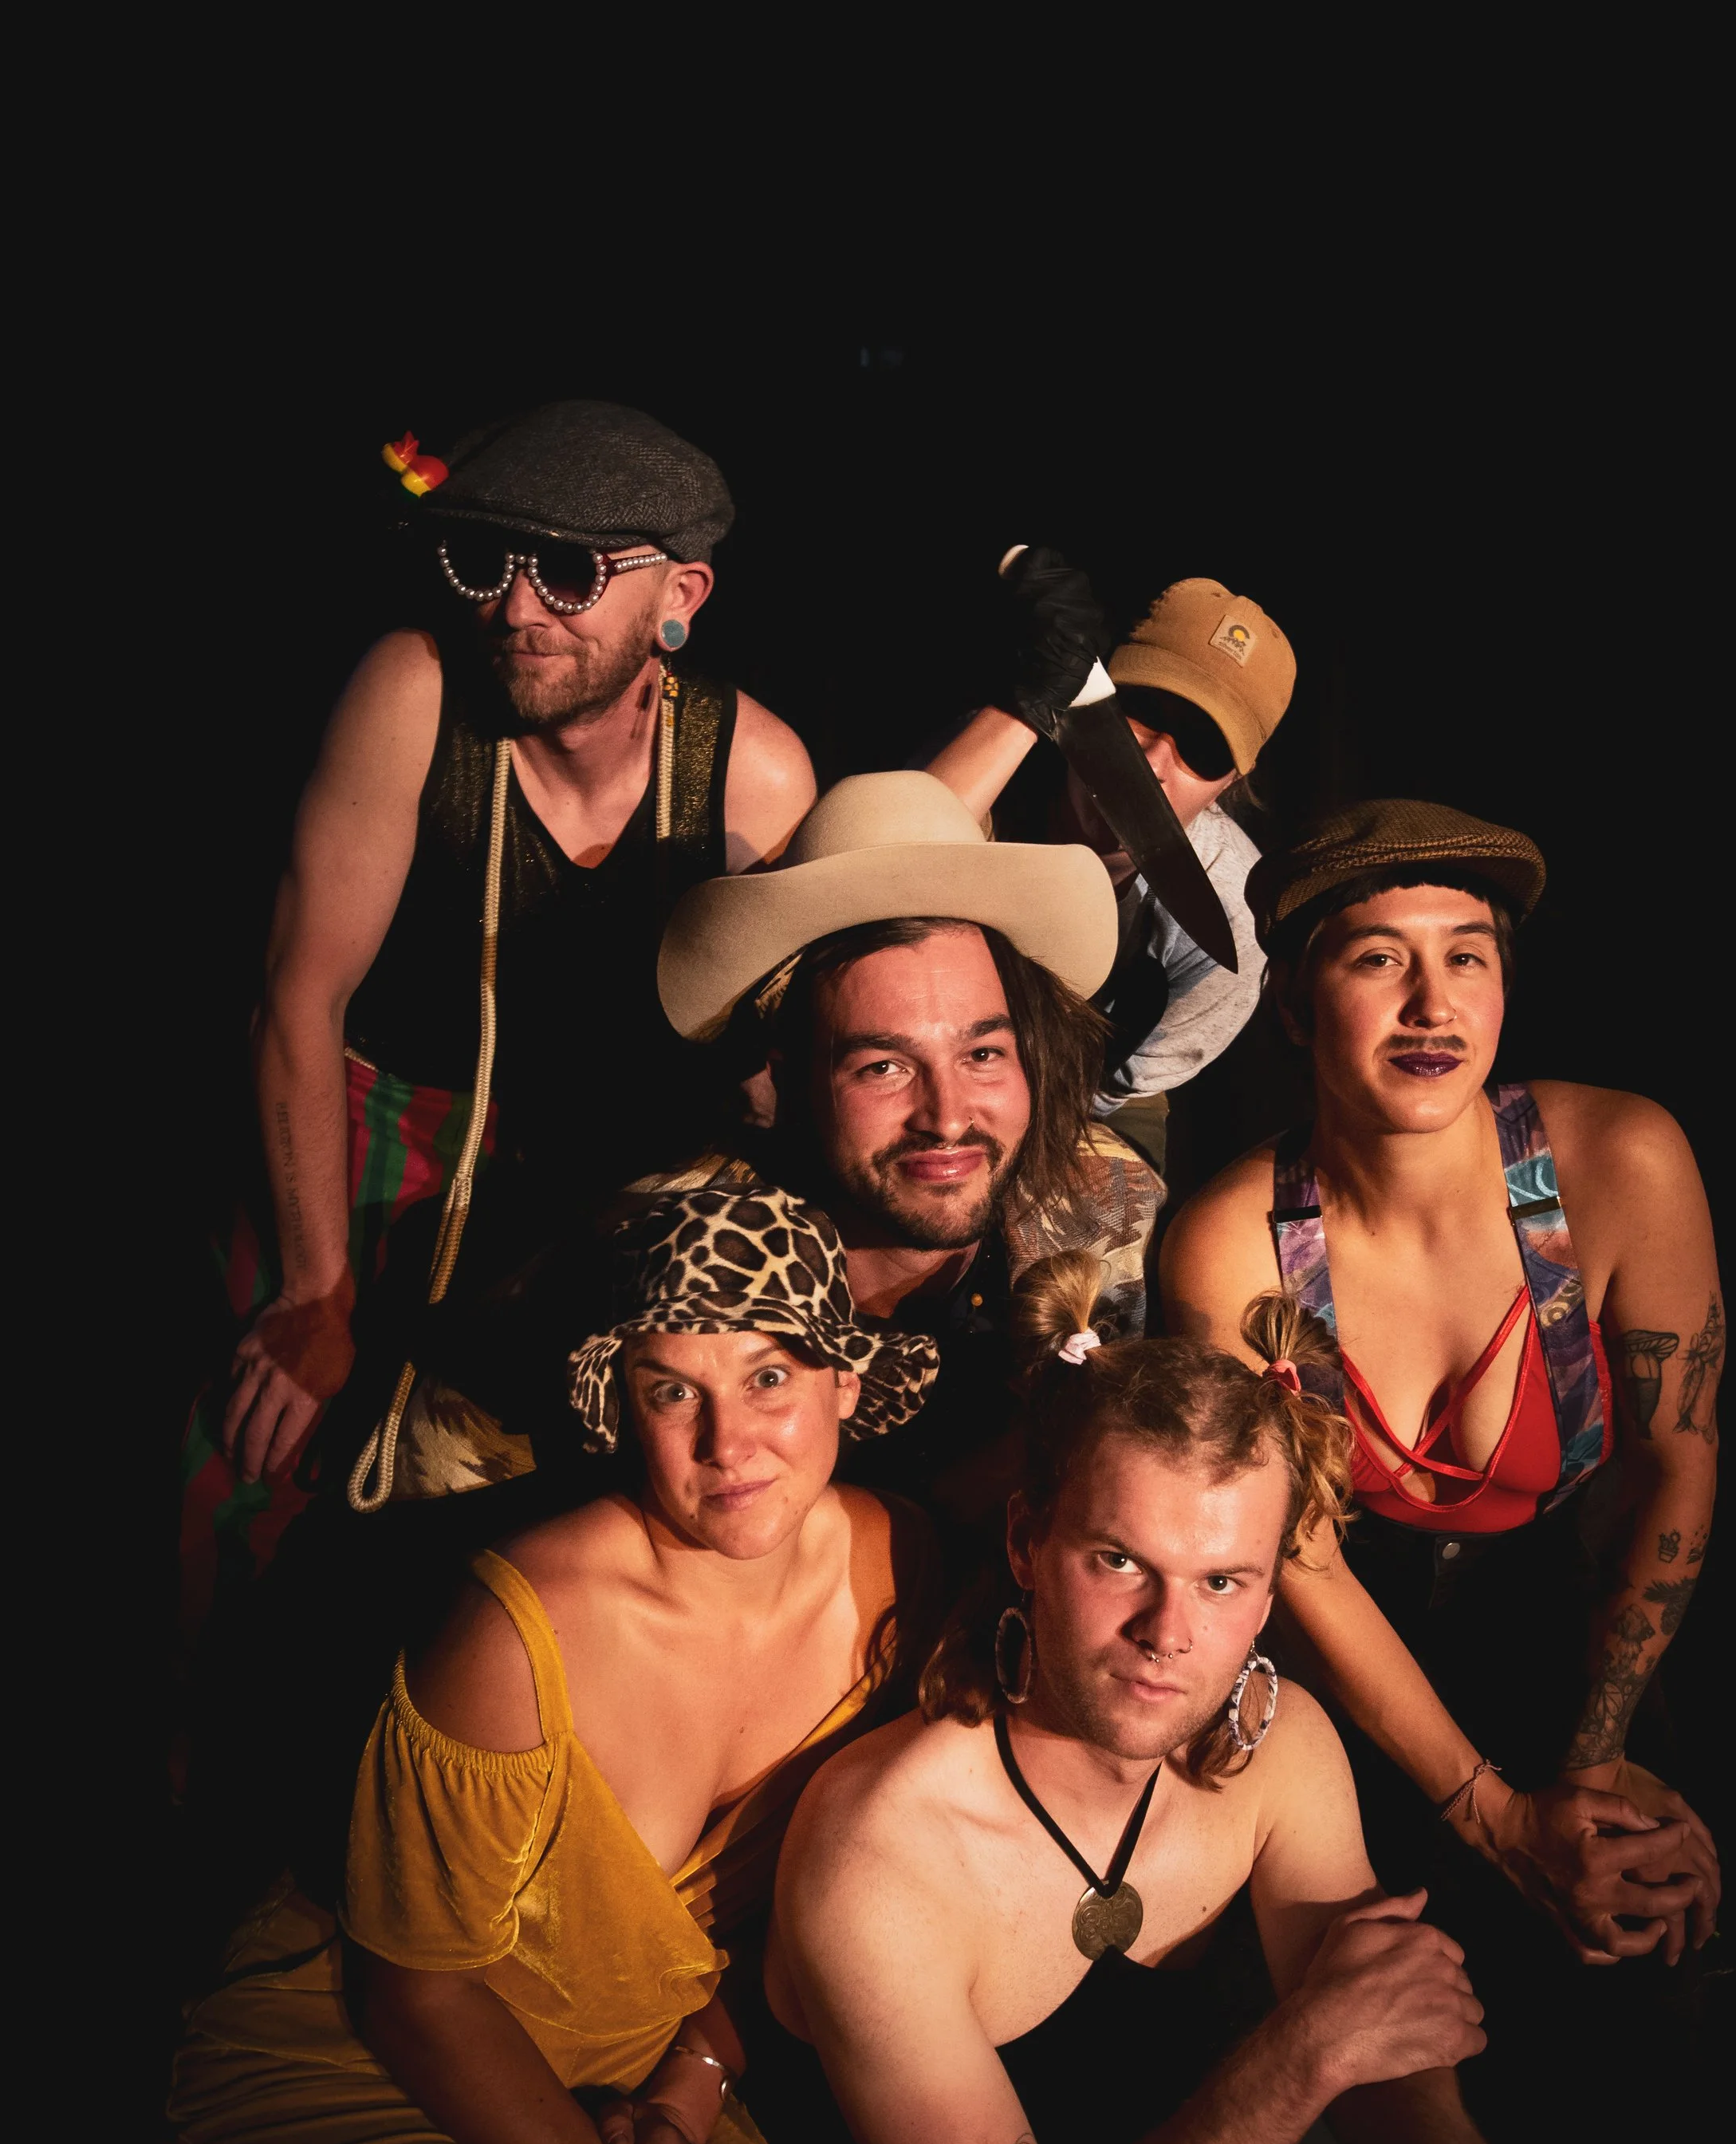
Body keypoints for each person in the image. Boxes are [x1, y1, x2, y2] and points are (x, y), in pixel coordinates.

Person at [755, 1257, 1650, 2144]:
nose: (1172, 1636)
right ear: (1026, 1547)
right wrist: (1307, 2050)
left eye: (1227, 1583)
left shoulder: (1277, 1749)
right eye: (1122, 1563)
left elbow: (1420, 2128)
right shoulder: (881, 1851)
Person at [171, 1188, 942, 2144]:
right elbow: (411, 1989)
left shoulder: (903, 1575)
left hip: (622, 2060)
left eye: (770, 1374)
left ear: (846, 1374)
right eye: (675, 1389)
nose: (731, 1443)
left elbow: (822, 1904)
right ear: (617, 1404)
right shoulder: (523, 1625)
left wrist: (695, 2086)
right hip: (349, 2055)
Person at [1160, 797, 1722, 2144]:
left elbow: (1672, 1466)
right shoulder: (1231, 1239)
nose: (1431, 1004)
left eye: (1466, 959)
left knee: (1636, 1916)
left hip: (1574, 1639)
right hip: (1340, 1684)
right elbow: (1301, 1562)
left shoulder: (1617, 1159)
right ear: (1292, 1004)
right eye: (1377, 961)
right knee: (1417, 2064)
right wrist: (1496, 1819)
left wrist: (1590, 1775)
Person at [188, 399, 817, 1623]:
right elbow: (297, 994)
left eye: (572, 573)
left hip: (592, 1169)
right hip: (377, 1128)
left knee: (519, 1521)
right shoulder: (417, 690)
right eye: (484, 564)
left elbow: (774, 1050)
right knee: (248, 1465)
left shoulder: (755, 770)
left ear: (680, 593)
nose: (519, 609)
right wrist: (315, 1291)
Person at [387, 770, 1163, 1534]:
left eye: (982, 1055)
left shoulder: (1112, 1205)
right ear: (788, 1075)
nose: (946, 1116)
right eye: (882, 1067)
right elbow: (436, 1515)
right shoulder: (645, 1251)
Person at [927, 551, 1297, 1173]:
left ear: (1231, 782)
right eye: (1143, 713)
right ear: (1085, 700)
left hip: (1086, 1099)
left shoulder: (1233, 914)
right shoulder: (987, 764)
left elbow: (1121, 1086)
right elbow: (867, 880)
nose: (1152, 762)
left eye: (1201, 750)